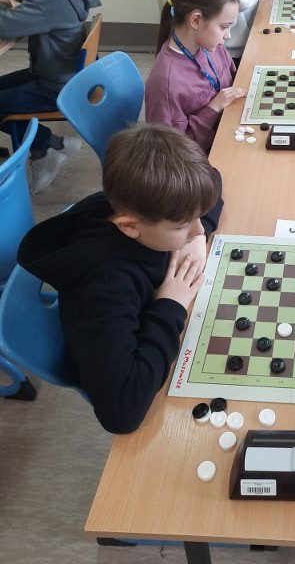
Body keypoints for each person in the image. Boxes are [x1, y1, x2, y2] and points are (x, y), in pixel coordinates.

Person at [18, 123, 224, 434]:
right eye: (183, 225)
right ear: (128, 227)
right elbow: (122, 413)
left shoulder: (137, 203)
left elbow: (213, 181)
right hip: (142, 358)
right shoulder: (106, 289)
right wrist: (170, 304)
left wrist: (197, 235)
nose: (196, 230)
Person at [0, 0, 101, 192]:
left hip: (55, 86)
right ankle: (51, 144)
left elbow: (5, 26)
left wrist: (3, 4)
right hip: (60, 74)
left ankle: (46, 148)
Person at [145, 0, 246, 153]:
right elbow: (173, 151)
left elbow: (234, 79)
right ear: (196, 20)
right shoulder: (166, 82)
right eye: (224, 27)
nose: (228, 36)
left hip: (228, 127)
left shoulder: (211, 45)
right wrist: (214, 107)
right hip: (201, 158)